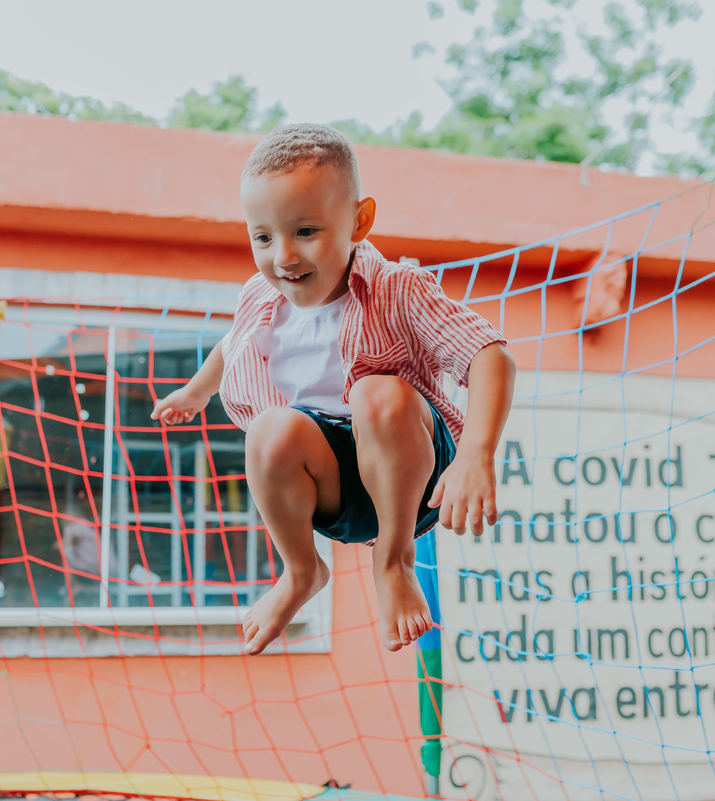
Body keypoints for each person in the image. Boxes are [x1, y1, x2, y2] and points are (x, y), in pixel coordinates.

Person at [150, 124, 515, 654]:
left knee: (376, 394)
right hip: (334, 492)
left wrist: (477, 456)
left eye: (305, 231)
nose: (284, 257)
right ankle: (301, 571)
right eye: (264, 237)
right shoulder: (260, 297)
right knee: (270, 429)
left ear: (359, 221)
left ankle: (392, 562)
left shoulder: (397, 289)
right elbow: (233, 345)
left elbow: (489, 354)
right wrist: (196, 391)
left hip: (411, 475)